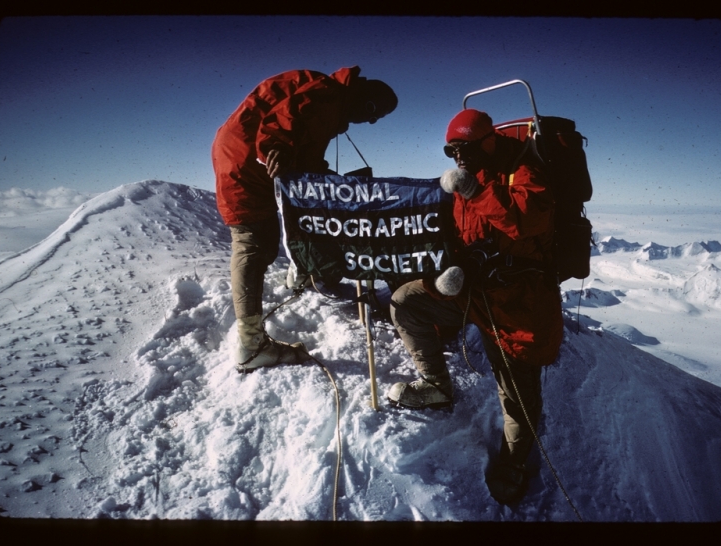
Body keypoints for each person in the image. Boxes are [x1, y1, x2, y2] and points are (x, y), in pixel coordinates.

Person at [386, 108, 563, 504]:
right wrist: (445, 276)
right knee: (406, 303)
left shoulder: (523, 173)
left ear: (489, 140)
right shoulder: (467, 180)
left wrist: (475, 192)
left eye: (464, 147)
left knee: (516, 392)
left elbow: (524, 220)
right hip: (474, 292)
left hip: (518, 303)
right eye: (451, 150)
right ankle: (435, 385)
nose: (458, 156)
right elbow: (459, 238)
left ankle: (515, 461)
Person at [211, 66, 398, 373]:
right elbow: (283, 122)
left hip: (241, 155)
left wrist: (322, 176)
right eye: (374, 112)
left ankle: (302, 273)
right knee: (252, 244)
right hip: (245, 163)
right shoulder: (326, 93)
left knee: (279, 229)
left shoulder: (329, 98)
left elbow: (303, 145)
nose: (372, 120)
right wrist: (278, 149)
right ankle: (251, 345)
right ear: (364, 97)